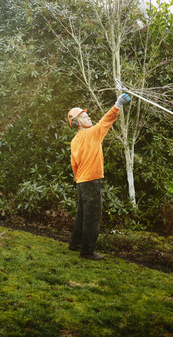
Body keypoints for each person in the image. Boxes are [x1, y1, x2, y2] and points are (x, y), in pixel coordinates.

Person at [66, 93, 130, 260]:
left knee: (81, 214)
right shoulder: (93, 133)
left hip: (81, 182)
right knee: (92, 217)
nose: (89, 119)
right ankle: (87, 251)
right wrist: (117, 105)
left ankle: (75, 243)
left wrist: (79, 179)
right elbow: (106, 121)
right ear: (77, 122)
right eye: (86, 117)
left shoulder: (75, 140)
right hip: (90, 182)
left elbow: (74, 164)